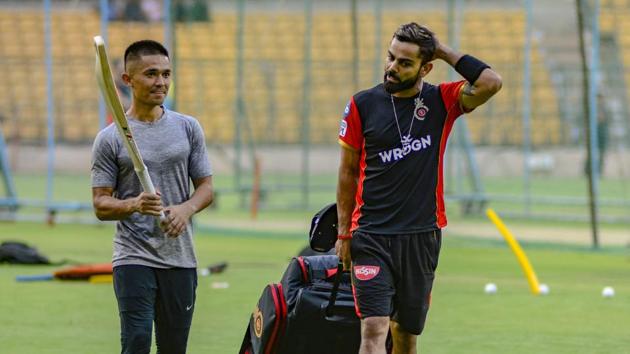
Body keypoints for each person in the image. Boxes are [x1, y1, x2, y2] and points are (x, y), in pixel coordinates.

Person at [335, 23, 502, 354]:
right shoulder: (362, 105)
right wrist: (343, 233)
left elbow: (491, 82)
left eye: (405, 63)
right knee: (373, 328)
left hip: (421, 235)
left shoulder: (443, 100)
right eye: (391, 58)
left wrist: (443, 50)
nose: (392, 68)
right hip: (371, 235)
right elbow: (347, 171)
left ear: (426, 67)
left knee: (405, 335)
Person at [91, 39, 214, 354]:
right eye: (151, 74)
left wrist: (186, 209)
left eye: (166, 74)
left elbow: (206, 188)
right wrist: (135, 204)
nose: (161, 82)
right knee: (137, 341)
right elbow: (101, 204)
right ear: (128, 80)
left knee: (174, 348)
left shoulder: (188, 128)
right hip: (134, 257)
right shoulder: (109, 139)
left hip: (181, 258)